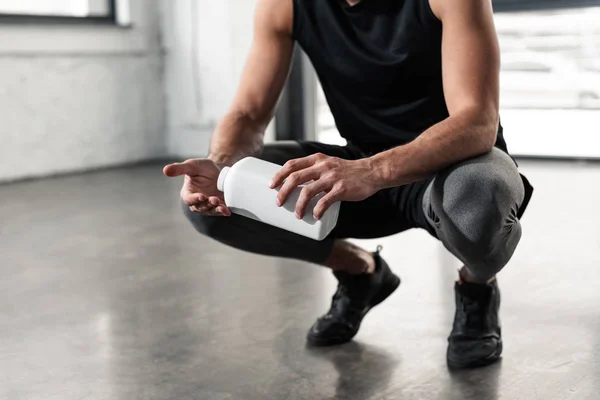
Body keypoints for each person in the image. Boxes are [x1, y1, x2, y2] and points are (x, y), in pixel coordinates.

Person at [163, 0, 534, 369]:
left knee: (478, 199)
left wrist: (372, 172)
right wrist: (222, 169)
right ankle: (362, 273)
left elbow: (476, 122)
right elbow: (247, 113)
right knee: (220, 203)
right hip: (359, 165)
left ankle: (476, 286)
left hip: (454, 167)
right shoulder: (284, 5)